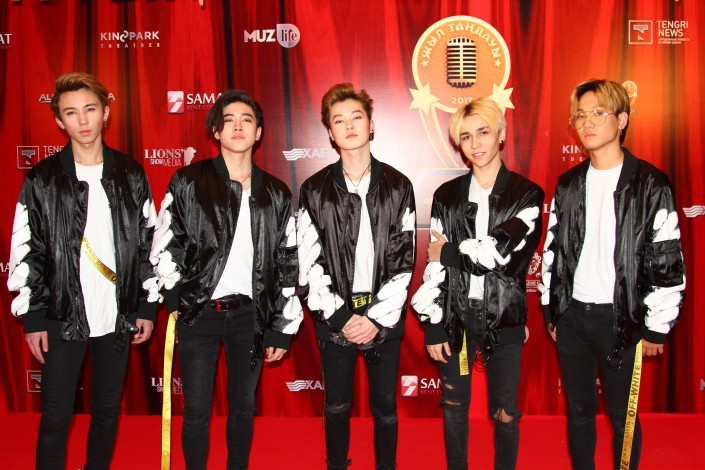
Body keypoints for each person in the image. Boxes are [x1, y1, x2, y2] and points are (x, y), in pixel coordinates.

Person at [7, 72, 156, 470]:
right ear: (60, 121)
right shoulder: (42, 179)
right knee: (55, 418)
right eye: (71, 112)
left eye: (90, 109)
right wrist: (34, 317)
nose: (83, 120)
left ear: (105, 112)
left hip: (116, 314)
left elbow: (148, 244)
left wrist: (145, 307)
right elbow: (28, 250)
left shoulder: (131, 174)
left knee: (106, 412)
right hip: (60, 314)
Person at [150, 89, 303, 470]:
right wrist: (177, 300)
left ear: (258, 132)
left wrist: (281, 327)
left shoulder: (276, 193)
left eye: (246, 120)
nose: (238, 127)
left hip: (250, 317)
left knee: (243, 406)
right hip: (198, 315)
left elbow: (287, 262)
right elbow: (165, 244)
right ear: (216, 130)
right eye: (228, 120)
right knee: (196, 410)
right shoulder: (188, 181)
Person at [539, 79, 686, 469]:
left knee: (623, 417)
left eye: (598, 113)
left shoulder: (650, 183)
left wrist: (657, 326)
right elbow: (553, 251)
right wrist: (553, 310)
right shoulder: (569, 184)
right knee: (579, 411)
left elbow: (666, 256)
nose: (587, 123)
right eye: (580, 115)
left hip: (622, 320)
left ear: (621, 120)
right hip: (572, 318)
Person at [411, 98, 543, 470]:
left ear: (500, 134)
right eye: (466, 136)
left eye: (483, 132)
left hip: (505, 315)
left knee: (505, 412)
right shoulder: (446, 196)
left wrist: (450, 252)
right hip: (456, 315)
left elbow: (498, 255)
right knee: (454, 406)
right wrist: (434, 324)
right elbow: (434, 266)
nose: (475, 143)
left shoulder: (527, 194)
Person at [297, 83, 416, 470]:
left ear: (371, 125)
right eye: (339, 120)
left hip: (384, 317)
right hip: (335, 318)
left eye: (356, 117)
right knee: (336, 406)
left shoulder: (399, 186)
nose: (349, 126)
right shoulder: (314, 190)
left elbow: (404, 262)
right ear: (330, 133)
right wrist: (342, 317)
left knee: (385, 408)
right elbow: (308, 263)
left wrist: (375, 318)